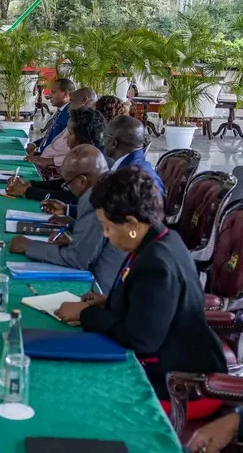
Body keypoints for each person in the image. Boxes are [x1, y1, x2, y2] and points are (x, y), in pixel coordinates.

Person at [55, 167, 227, 399]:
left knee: (77, 389)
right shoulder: (160, 239)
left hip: (179, 381)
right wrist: (110, 301)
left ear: (132, 224)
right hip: (170, 361)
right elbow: (150, 305)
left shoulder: (157, 263)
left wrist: (86, 314)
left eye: (107, 227)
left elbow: (140, 340)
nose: (105, 235)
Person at [9, 145, 126, 293]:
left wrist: (29, 246)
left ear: (83, 181)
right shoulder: (110, 185)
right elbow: (95, 245)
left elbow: (77, 260)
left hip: (101, 290)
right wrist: (75, 238)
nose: (67, 188)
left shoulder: (97, 199)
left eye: (67, 184)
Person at [8, 107, 109, 204]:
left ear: (82, 136)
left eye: (70, 134)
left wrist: (28, 191)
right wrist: (30, 184)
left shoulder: (91, 160)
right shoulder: (89, 152)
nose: (65, 138)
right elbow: (63, 183)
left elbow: (68, 197)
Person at [26, 88, 100, 170]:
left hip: (53, 168)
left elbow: (79, 154)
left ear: (84, 100)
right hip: (44, 158)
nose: (69, 105)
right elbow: (53, 140)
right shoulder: (75, 119)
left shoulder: (88, 124)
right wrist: (36, 147)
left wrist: (49, 161)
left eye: (71, 101)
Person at [104, 115, 165, 198]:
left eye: (104, 137)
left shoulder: (126, 178)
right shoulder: (141, 166)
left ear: (113, 143)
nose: (103, 142)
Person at [26, 78, 75, 155]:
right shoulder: (62, 110)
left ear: (66, 94)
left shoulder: (70, 114)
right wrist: (35, 144)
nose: (50, 95)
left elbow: (60, 143)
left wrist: (38, 150)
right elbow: (51, 137)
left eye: (53, 92)